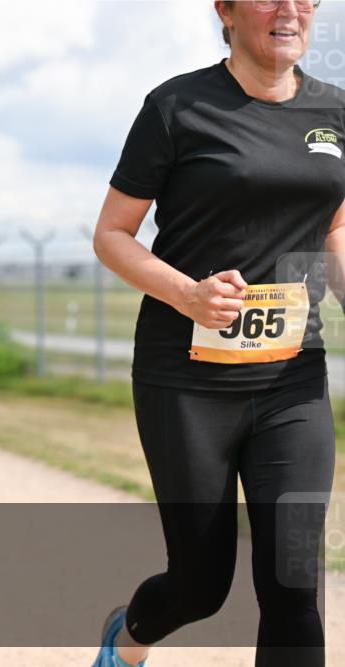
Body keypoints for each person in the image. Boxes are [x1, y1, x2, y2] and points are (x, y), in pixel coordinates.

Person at [90, 2, 344, 666]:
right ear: (225, 11)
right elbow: (113, 235)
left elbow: (335, 227)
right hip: (187, 380)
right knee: (200, 584)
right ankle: (128, 636)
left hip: (293, 377)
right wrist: (188, 293)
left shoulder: (335, 112)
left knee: (294, 583)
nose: (289, 10)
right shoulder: (178, 107)